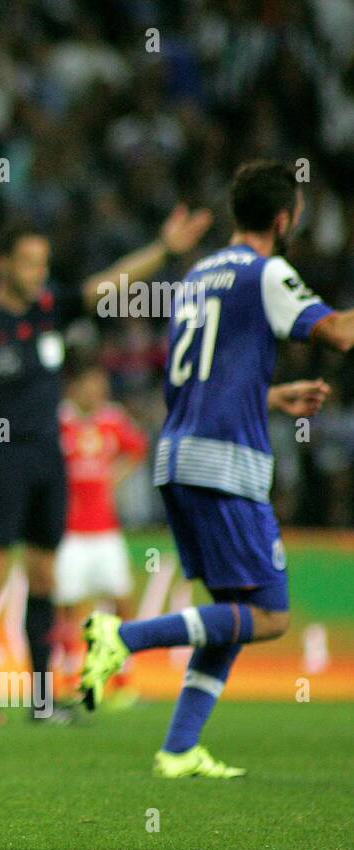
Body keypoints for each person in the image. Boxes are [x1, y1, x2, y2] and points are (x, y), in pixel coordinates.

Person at [78, 160, 353, 777]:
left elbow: (203, 379)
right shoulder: (268, 272)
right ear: (284, 219)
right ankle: (122, 638)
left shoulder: (198, 275)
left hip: (178, 454)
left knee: (232, 609)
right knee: (271, 614)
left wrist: (272, 396)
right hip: (225, 463)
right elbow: (335, 332)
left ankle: (178, 749)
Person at [0, 205, 212, 722]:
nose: (37, 274)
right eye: (27, 264)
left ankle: (41, 700)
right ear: (2, 264)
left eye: (42, 264)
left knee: (44, 579)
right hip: (2, 458)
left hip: (49, 459)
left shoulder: (50, 310)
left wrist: (164, 249)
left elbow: (108, 285)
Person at [54, 357, 147, 708]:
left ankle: (122, 681)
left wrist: (114, 478)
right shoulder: (59, 421)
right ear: (74, 387)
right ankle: (70, 681)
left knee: (121, 603)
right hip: (69, 533)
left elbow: (137, 449)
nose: (96, 391)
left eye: (100, 385)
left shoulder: (113, 419)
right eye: (89, 384)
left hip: (106, 530)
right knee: (70, 609)